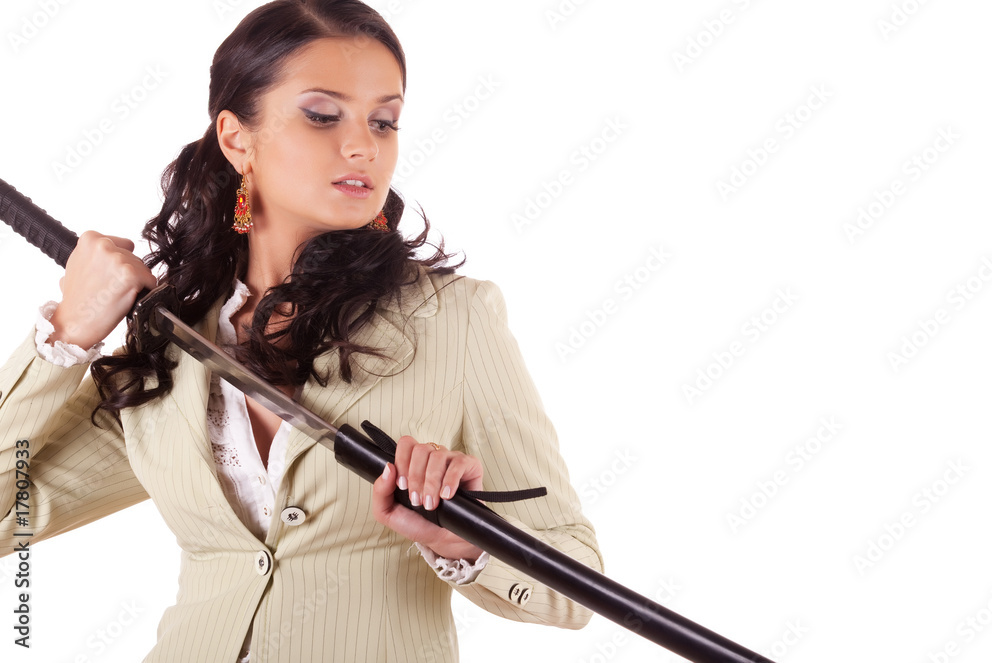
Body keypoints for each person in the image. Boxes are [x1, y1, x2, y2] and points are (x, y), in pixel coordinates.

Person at [0, 1, 603, 661]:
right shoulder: (169, 345)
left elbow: (574, 589)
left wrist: (461, 541)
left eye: (384, 121)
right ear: (237, 139)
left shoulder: (454, 319)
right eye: (322, 115)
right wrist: (67, 334)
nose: (363, 146)